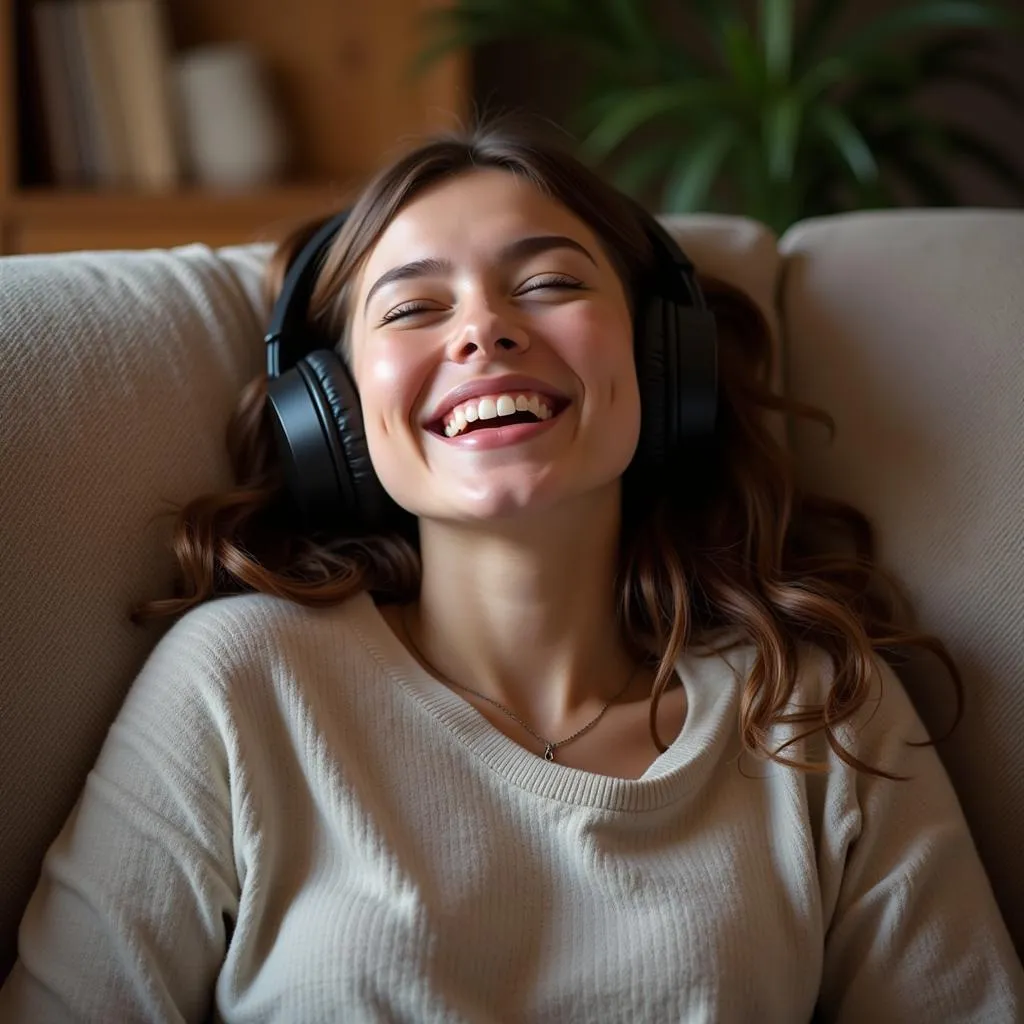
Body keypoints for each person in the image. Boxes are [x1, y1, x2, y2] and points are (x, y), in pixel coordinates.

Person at [1, 120, 1021, 1023]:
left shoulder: (813, 705)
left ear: (666, 363)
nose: (484, 329)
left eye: (549, 283)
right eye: (411, 310)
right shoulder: (241, 683)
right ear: (336, 413)